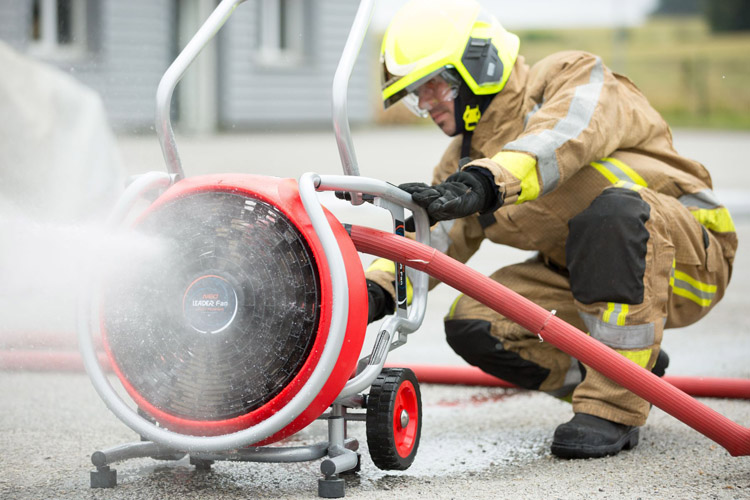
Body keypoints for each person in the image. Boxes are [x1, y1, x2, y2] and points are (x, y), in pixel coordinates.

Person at [365, 0, 737, 459]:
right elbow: (433, 243)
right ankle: (628, 370)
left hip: (691, 259)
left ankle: (612, 406)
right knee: (474, 323)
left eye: (433, 85)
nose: (424, 103)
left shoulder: (569, 77)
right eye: (415, 94)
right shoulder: (465, 160)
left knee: (614, 213)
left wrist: (486, 182)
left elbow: (563, 135)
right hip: (590, 275)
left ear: (478, 65)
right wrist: (374, 290)